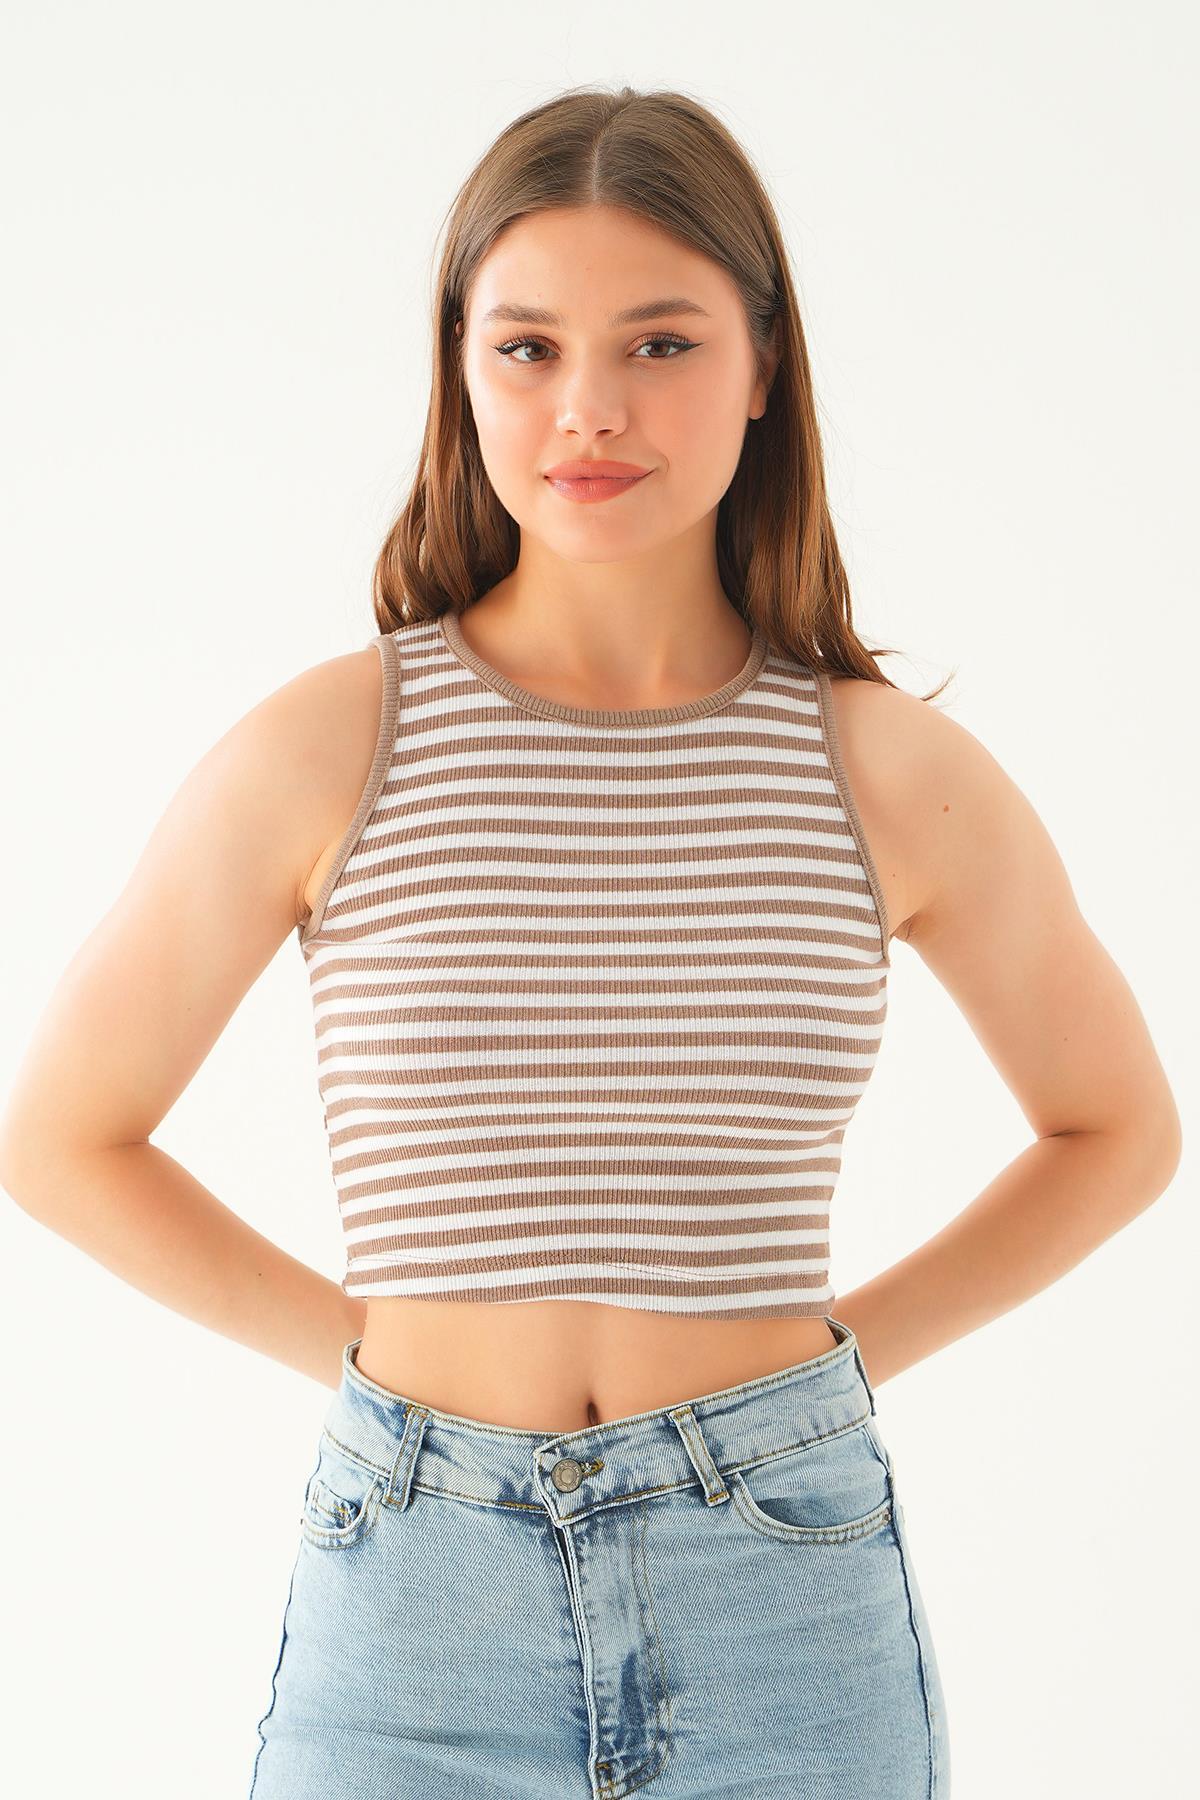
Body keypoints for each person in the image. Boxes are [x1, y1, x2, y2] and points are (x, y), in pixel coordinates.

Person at [0, 85, 1180, 1800]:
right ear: (461, 370)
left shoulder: (884, 769)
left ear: (764, 365)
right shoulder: (334, 746)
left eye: (661, 343)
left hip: (783, 1594)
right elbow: (61, 1135)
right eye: (529, 347)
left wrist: (831, 1373)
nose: (590, 408)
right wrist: (378, 1375)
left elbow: (1117, 1127)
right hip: (415, 1599)